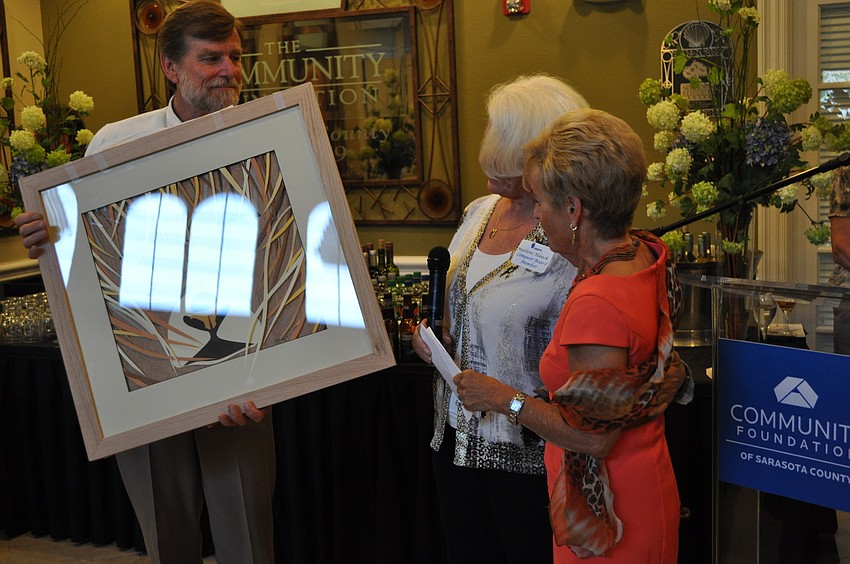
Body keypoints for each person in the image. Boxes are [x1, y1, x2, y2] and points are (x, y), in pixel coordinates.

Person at [15, 2, 275, 563]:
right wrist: (48, 235)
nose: (230, 69)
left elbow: (284, 265)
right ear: (170, 68)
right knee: (167, 533)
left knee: (247, 535)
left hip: (242, 362)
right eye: (211, 58)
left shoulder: (274, 141)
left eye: (234, 55)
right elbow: (92, 259)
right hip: (142, 364)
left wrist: (274, 367)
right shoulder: (114, 143)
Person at [452, 108, 691, 562]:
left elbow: (592, 437)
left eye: (539, 201)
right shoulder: (646, 254)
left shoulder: (596, 300)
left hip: (608, 511)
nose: (537, 215)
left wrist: (503, 398)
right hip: (647, 481)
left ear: (574, 209)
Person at [411, 74, 586, 563]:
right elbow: (467, 307)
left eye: (501, 137)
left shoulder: (571, 231)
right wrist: (437, 342)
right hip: (454, 441)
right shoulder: (480, 211)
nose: (488, 148)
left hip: (530, 453)